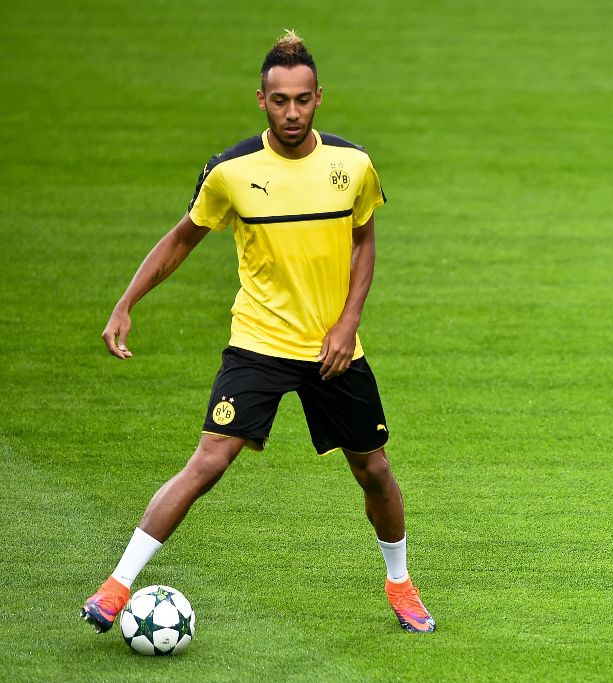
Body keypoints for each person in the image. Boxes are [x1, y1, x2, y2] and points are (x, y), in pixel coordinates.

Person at [80, 31, 435, 635]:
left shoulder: (352, 165)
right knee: (209, 460)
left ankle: (400, 583)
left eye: (301, 99)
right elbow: (181, 239)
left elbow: (364, 238)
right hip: (259, 344)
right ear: (260, 100)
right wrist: (126, 301)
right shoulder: (230, 172)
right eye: (278, 100)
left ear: (319, 97)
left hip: (333, 349)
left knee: (373, 470)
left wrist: (348, 323)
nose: (291, 112)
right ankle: (116, 586)